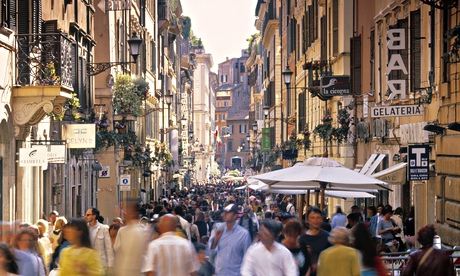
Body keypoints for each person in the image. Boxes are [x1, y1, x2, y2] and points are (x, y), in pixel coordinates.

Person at [208, 203, 251, 276]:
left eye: (228, 212)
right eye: (224, 212)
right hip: (220, 273)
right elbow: (210, 252)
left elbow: (247, 258)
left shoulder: (243, 234)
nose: (225, 214)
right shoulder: (218, 229)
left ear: (235, 216)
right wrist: (216, 240)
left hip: (235, 273)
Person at [113, 200, 150, 276]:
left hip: (139, 272)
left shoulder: (144, 231)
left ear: (135, 213)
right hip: (124, 271)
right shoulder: (122, 231)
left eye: (127, 210)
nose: (125, 213)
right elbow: (117, 250)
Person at [299, 208, 331, 276]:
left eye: (318, 217)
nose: (315, 220)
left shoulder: (328, 237)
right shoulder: (302, 239)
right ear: (307, 220)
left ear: (322, 219)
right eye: (312, 218)